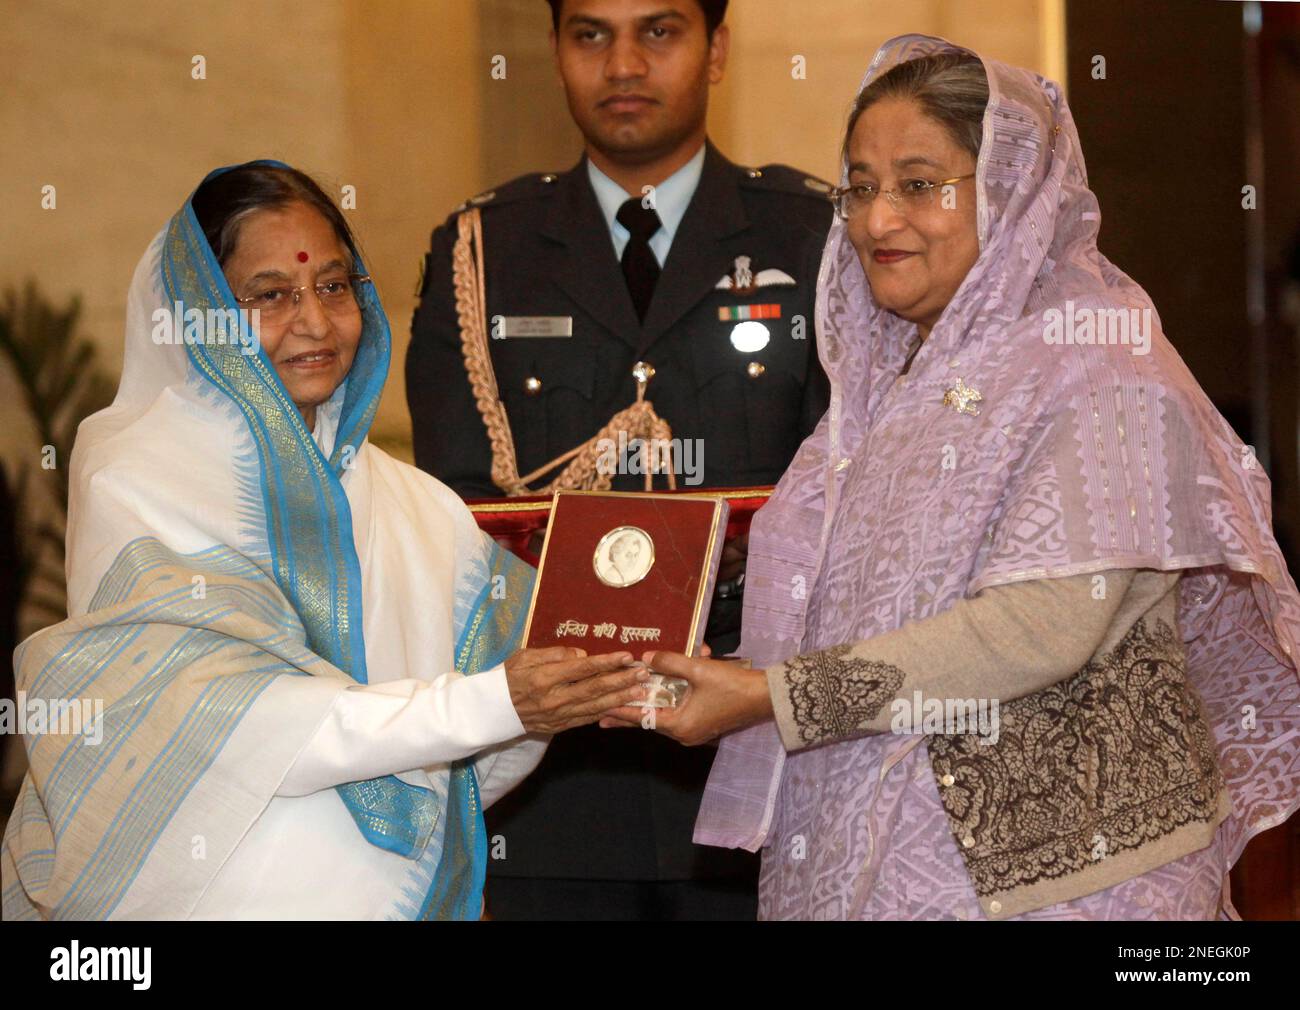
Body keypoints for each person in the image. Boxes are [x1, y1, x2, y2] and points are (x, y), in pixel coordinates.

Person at [603, 35, 1300, 920]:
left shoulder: (1102, 364)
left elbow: (1036, 629)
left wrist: (770, 697)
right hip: (877, 850)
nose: (876, 219)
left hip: (1070, 882)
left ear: (1012, 193)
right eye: (859, 186)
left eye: (920, 184)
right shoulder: (888, 379)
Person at [0, 162, 649, 920]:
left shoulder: (415, 502)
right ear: (199, 310)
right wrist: (494, 704)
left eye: (334, 286)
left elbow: (511, 698)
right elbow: (243, 717)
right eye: (270, 295)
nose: (313, 320)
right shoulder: (140, 475)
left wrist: (638, 645)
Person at [406, 0, 832, 920]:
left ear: (716, 49)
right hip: (549, 787)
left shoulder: (810, 237)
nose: (624, 63)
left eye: (660, 31)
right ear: (557, 51)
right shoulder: (482, 250)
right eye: (591, 34)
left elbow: (855, 501)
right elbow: (453, 512)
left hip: (751, 773)